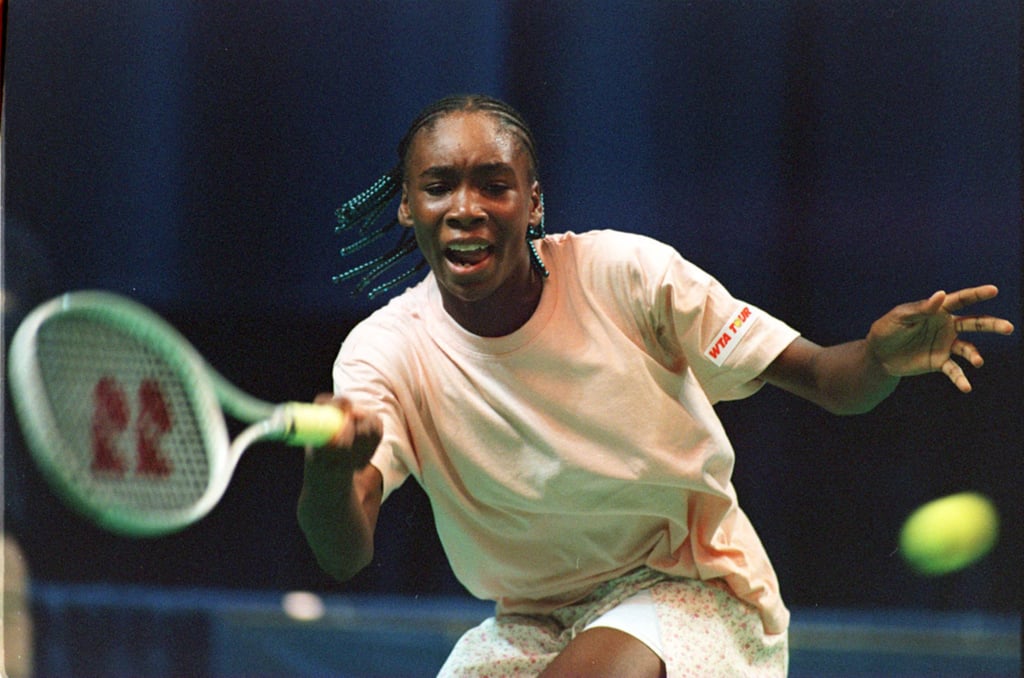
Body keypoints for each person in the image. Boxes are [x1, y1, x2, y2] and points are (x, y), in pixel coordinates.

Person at [297, 94, 1014, 677]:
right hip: (530, 625)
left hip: (694, 590)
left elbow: (828, 379)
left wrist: (879, 358)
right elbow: (344, 549)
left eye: (494, 184)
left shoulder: (629, 277)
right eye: (439, 186)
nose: (466, 207)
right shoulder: (385, 352)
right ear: (406, 207)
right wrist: (330, 469)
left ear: (534, 202)